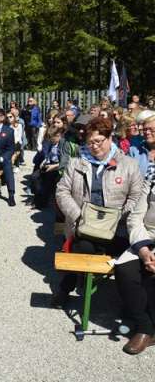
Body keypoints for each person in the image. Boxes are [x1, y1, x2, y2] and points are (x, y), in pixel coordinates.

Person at [52, 117, 142, 307]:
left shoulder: (129, 165)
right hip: (83, 226)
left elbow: (136, 196)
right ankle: (68, 287)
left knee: (123, 254)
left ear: (110, 139)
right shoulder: (76, 163)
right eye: (89, 142)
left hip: (117, 227)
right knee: (82, 248)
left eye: (98, 141)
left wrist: (117, 219)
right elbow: (62, 191)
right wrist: (79, 216)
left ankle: (130, 302)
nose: (93, 146)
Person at [118, 175, 155, 354]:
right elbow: (135, 218)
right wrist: (144, 250)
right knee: (125, 270)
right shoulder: (152, 180)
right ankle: (145, 327)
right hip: (145, 240)